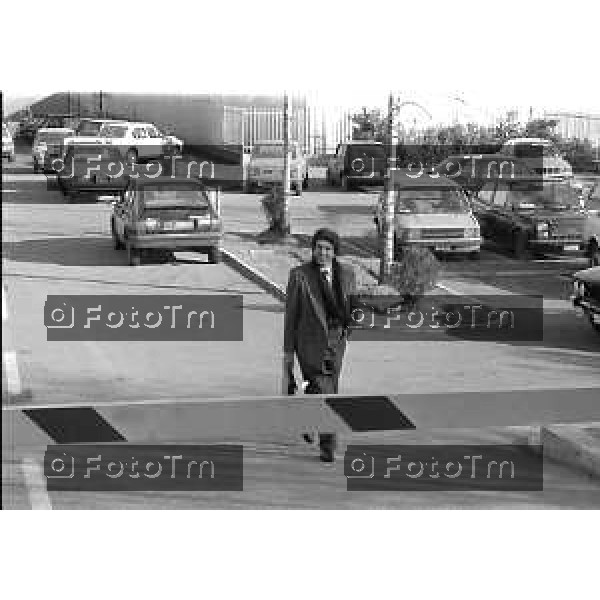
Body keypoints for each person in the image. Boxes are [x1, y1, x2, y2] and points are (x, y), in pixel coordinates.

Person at [283, 228, 357, 460]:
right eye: (318, 248)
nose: (322, 253)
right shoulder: (299, 275)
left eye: (327, 249)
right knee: (326, 391)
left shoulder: (347, 273)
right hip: (309, 343)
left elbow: (352, 305)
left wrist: (348, 330)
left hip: (336, 343)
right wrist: (288, 351)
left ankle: (307, 418)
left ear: (335, 252)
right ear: (313, 250)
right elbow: (291, 315)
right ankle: (329, 445)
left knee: (324, 388)